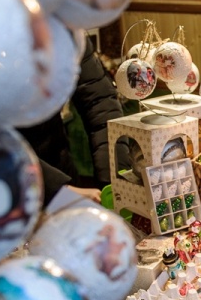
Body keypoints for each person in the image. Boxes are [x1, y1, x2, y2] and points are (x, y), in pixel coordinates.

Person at [19, 37, 124, 203]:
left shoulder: (67, 25)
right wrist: (58, 188)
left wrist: (114, 180)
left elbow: (99, 102)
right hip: (2, 184)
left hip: (58, 160)